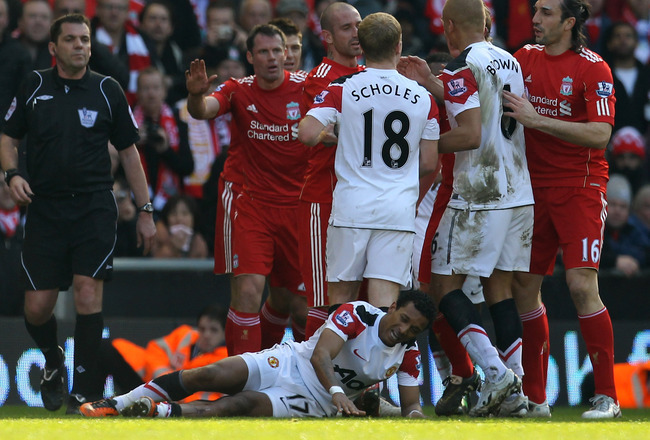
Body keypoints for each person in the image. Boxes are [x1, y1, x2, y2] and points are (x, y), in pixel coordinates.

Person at [0, 13, 156, 414]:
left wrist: (145, 209)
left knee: (89, 295)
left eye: (84, 39)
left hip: (93, 207)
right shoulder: (35, 84)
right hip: (45, 207)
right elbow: (7, 136)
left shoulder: (108, 90)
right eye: (70, 40)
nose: (80, 46)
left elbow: (129, 153)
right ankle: (53, 361)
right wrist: (12, 174)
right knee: (36, 308)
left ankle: (83, 396)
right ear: (54, 48)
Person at [398, 0, 534, 417]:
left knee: (443, 286)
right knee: (499, 289)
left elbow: (471, 134)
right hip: (519, 191)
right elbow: (491, 109)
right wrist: (434, 85)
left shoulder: (461, 64)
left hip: (480, 192)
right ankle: (516, 387)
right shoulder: (509, 60)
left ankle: (494, 373)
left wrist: (421, 145)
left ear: (450, 25)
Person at [503, 0, 620, 419]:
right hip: (531, 189)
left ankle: (607, 397)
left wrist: (538, 121)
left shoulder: (594, 68)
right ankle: (535, 399)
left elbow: (600, 134)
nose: (535, 19)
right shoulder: (523, 58)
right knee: (523, 288)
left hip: (580, 188)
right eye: (535, 11)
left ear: (570, 22)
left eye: (547, 13)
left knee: (580, 285)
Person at [79, 290, 435, 418]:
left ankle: (157, 413)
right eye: (403, 320)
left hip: (315, 404)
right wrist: (341, 394)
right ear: (392, 307)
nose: (403, 331)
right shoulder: (359, 314)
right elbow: (321, 356)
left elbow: (412, 405)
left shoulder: (409, 353)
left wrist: (415, 416)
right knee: (211, 375)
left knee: (238, 406)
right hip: (294, 362)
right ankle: (120, 403)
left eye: (413, 330)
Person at [299, 13, 439, 312]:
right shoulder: (424, 98)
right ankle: (378, 360)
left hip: (352, 207)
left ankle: (340, 360)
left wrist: (338, 134)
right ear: (399, 45)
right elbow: (429, 162)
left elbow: (307, 133)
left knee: (340, 306)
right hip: (397, 211)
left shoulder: (341, 88)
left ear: (361, 46)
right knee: (383, 309)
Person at [185, 24, 308, 356]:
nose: (272, 58)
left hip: (297, 207)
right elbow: (203, 110)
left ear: (287, 54)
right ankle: (241, 383)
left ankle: (302, 381)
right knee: (249, 292)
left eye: (277, 51)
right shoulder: (238, 89)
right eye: (264, 52)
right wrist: (196, 95)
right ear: (250, 57)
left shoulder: (308, 88)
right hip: (248, 203)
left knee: (295, 304)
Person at [298, 1, 364, 339]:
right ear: (326, 36)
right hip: (324, 199)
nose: (357, 33)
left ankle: (363, 387)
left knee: (364, 302)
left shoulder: (371, 76)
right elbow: (317, 132)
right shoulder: (320, 79)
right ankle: (313, 388)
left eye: (359, 25)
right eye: (346, 28)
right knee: (323, 301)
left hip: (363, 200)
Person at [95, 304, 228, 402]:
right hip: (146, 384)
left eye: (213, 330)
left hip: (178, 403)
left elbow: (216, 398)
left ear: (224, 334)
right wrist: (164, 378)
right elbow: (155, 348)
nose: (206, 335)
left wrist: (173, 391)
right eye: (202, 329)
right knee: (105, 346)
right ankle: (90, 399)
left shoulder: (227, 359)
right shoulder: (185, 334)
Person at [132, 66, 194, 214]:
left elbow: (187, 168)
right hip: (136, 201)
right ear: (138, 93)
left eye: (156, 88)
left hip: (169, 204)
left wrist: (165, 150)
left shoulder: (178, 125)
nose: (151, 94)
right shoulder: (128, 124)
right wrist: (132, 142)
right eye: (146, 88)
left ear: (164, 92)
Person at [92, 0, 152, 104]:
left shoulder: (142, 39)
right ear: (98, 10)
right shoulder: (86, 37)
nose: (114, 13)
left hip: (134, 107)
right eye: (109, 7)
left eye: (120, 8)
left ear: (128, 12)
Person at [602, 21, 650, 134]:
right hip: (608, 144)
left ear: (636, 43)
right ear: (609, 43)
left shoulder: (647, 74)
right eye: (617, 36)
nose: (623, 40)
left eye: (628, 36)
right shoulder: (601, 76)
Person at [601, 174, 650, 276]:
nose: (617, 211)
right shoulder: (593, 232)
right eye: (613, 204)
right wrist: (614, 261)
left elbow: (645, 252)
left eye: (623, 207)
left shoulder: (634, 231)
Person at [151, 194, 209, 258]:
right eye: (173, 213)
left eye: (185, 213)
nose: (179, 218)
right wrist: (172, 248)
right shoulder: (158, 237)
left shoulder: (198, 242)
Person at [16, 0, 53, 70]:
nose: (38, 22)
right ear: (20, 22)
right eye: (32, 16)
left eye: (44, 17)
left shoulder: (59, 53)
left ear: (51, 23)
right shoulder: (6, 52)